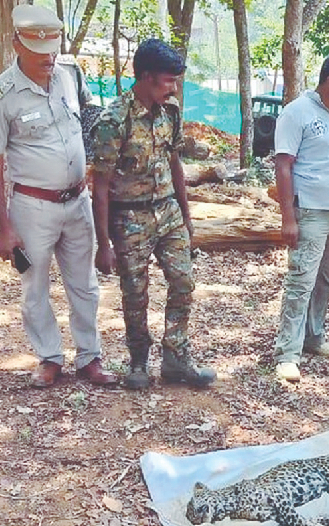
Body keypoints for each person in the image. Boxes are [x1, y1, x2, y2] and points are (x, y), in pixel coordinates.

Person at [0, 4, 116, 389]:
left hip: (78, 202)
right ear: (17, 44)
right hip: (31, 207)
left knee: (85, 283)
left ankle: (90, 356)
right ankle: (50, 357)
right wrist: (4, 227)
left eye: (53, 49)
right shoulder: (1, 95)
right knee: (34, 286)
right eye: (39, 50)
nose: (48, 58)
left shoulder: (70, 76)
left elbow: (88, 122)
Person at [91, 38, 216, 391]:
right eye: (168, 81)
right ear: (146, 77)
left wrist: (186, 216)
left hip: (168, 211)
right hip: (129, 218)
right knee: (135, 292)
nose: (173, 88)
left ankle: (176, 358)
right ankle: (138, 360)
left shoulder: (169, 112)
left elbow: (175, 163)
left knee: (183, 282)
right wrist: (104, 244)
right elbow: (100, 185)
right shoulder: (114, 120)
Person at [273, 49, 329, 383]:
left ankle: (314, 336)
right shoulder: (296, 112)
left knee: (326, 278)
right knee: (301, 281)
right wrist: (288, 217)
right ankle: (287, 354)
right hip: (311, 210)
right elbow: (283, 165)